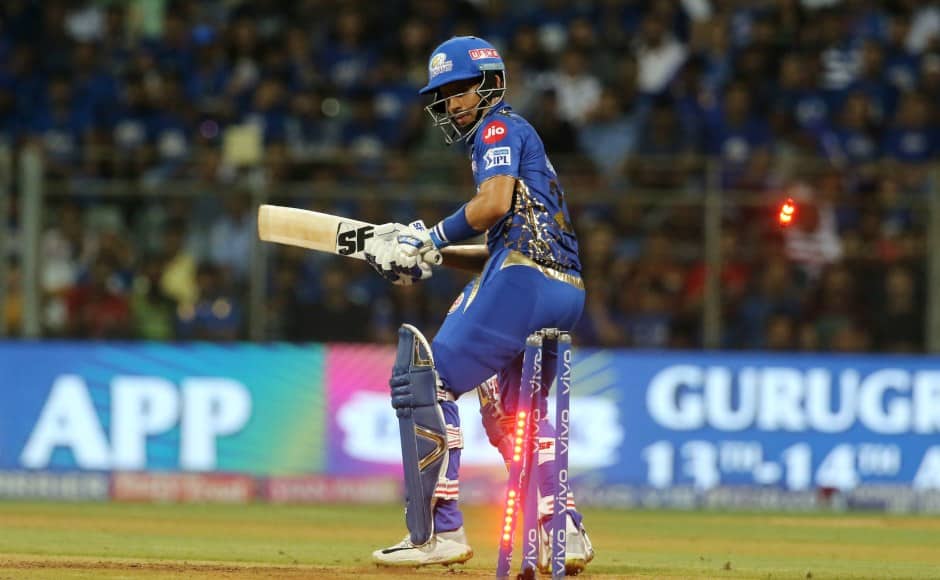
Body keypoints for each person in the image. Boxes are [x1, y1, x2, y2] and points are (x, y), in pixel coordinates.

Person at [362, 36, 594, 574]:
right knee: (510, 414)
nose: (453, 102)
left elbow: (491, 206)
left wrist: (429, 236)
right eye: (444, 94)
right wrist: (434, 253)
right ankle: (563, 529)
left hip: (524, 280)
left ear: (491, 82)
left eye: (462, 88)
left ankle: (437, 531)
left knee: (427, 379)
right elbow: (504, 238)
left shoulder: (498, 128)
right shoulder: (517, 137)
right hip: (564, 289)